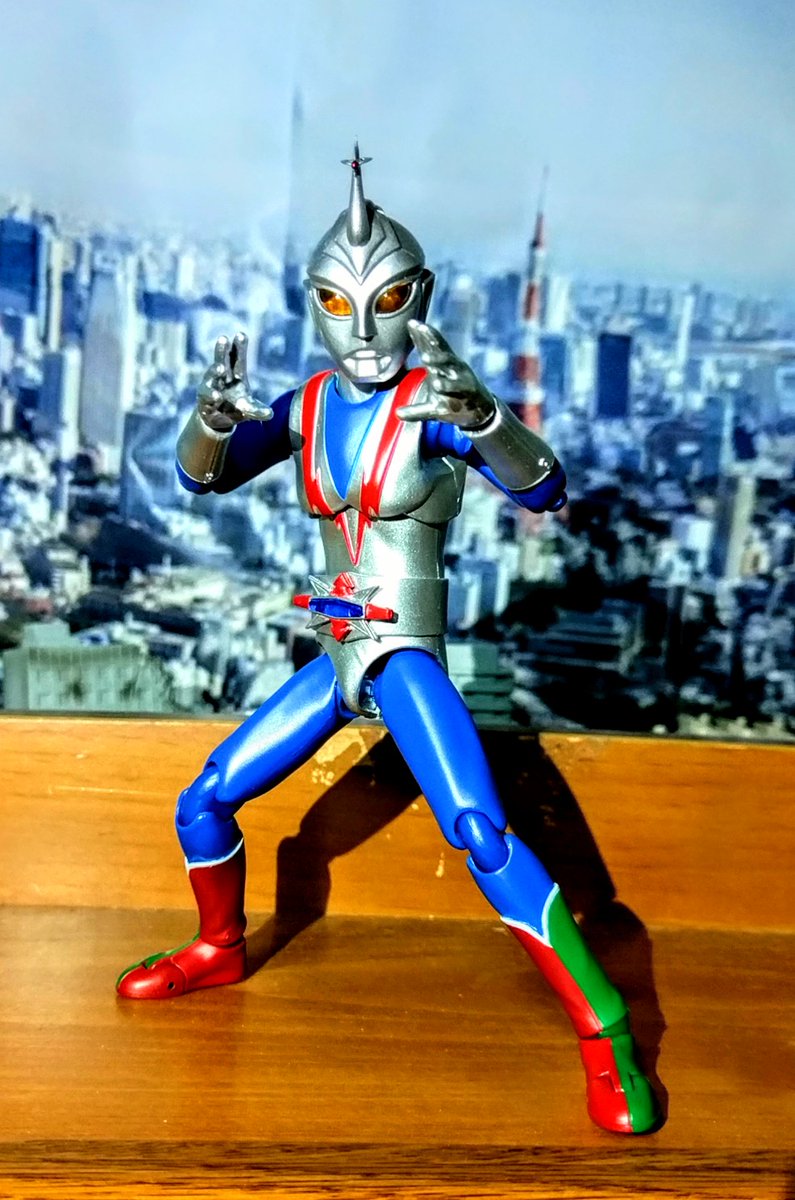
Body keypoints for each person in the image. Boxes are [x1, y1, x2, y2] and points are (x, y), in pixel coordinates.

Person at [117, 148, 659, 1135]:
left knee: (481, 832)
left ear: (421, 298)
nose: (363, 328)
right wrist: (205, 421)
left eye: (387, 300)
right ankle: (219, 947)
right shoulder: (309, 406)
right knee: (204, 799)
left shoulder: (432, 408)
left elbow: (544, 487)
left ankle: (607, 1033)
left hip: (404, 653)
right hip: (334, 652)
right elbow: (202, 476)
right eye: (338, 303)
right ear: (315, 305)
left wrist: (485, 417)